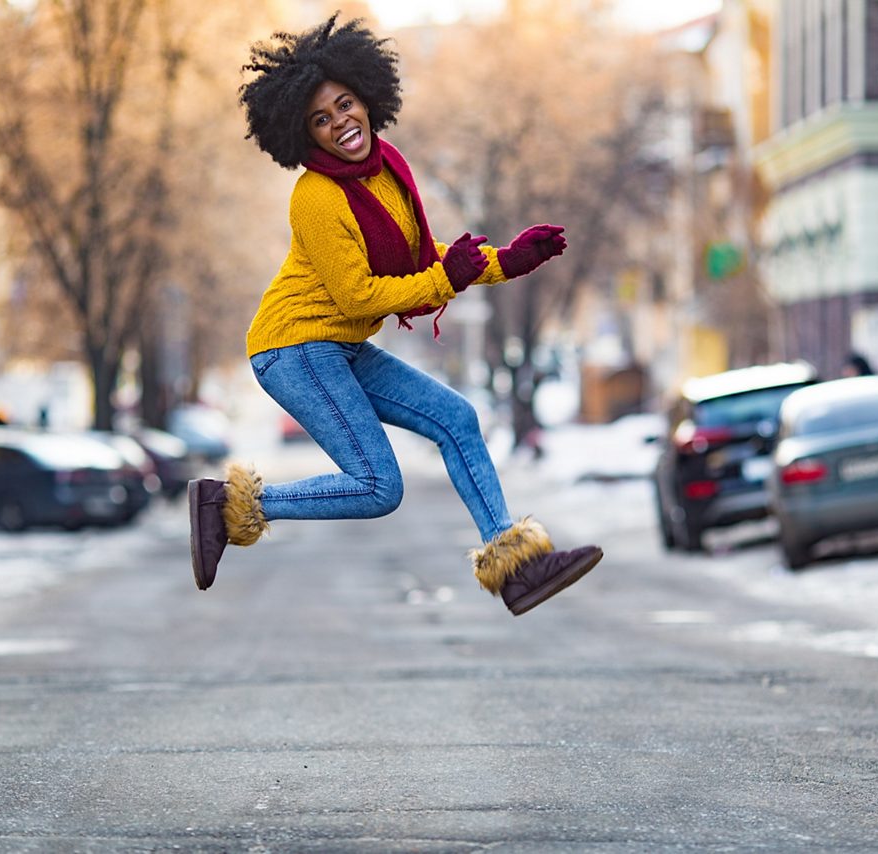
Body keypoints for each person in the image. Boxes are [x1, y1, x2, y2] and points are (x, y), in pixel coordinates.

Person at [186, 15, 602, 616]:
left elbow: (412, 260)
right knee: (379, 484)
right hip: (294, 348)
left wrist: (503, 262)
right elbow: (360, 294)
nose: (340, 124)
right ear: (304, 137)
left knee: (457, 419)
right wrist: (449, 278)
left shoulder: (385, 170)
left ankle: (517, 566)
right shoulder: (317, 197)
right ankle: (226, 507)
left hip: (339, 347)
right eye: (321, 120)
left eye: (345, 104)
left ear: (367, 96)